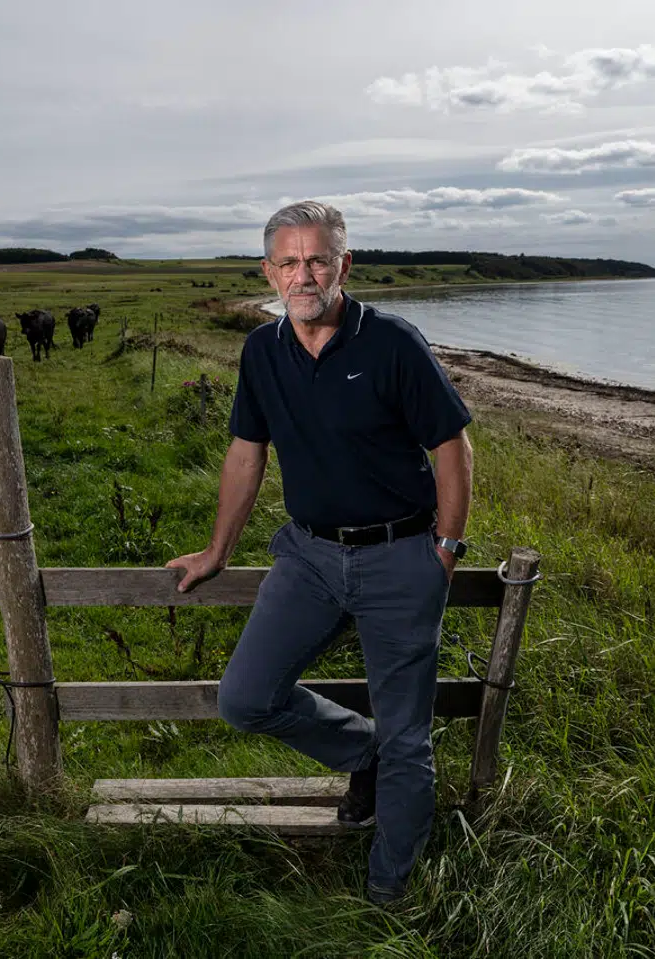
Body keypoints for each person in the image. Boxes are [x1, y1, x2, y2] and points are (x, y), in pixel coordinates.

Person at [166, 200, 474, 904]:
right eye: (289, 262)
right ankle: (361, 751)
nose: (303, 275)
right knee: (247, 698)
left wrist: (445, 549)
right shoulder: (261, 351)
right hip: (308, 558)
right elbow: (246, 454)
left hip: (401, 557)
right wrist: (217, 550)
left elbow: (451, 447)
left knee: (409, 739)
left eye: (317, 260)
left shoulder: (392, 342)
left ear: (343, 265)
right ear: (269, 272)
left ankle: (389, 894)